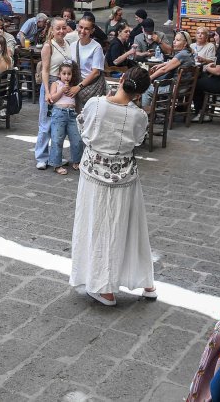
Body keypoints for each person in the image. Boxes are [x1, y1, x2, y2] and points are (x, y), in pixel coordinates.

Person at [69, 67, 157, 306]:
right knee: (130, 227)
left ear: (121, 80)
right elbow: (138, 140)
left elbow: (83, 129)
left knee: (96, 226)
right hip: (125, 175)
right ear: (139, 94)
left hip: (94, 174)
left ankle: (103, 287)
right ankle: (146, 282)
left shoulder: (96, 104)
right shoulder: (139, 115)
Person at [35, 17, 75, 170]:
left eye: (64, 28)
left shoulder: (67, 44)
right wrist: (46, 91)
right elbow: (45, 70)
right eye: (58, 28)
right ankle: (41, 156)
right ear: (52, 29)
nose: (61, 31)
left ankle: (55, 155)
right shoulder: (48, 46)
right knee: (45, 122)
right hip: (51, 83)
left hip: (63, 84)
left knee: (58, 123)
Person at [46, 61, 83, 175]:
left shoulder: (73, 86)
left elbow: (76, 101)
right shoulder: (56, 84)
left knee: (77, 139)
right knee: (57, 139)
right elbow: (52, 99)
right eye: (64, 73)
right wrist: (61, 91)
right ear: (59, 74)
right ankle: (56, 164)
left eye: (69, 74)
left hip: (71, 114)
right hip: (59, 113)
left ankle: (77, 161)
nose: (66, 76)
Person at [71, 16, 107, 110]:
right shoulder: (73, 45)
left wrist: (78, 87)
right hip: (75, 88)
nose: (82, 31)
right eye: (81, 27)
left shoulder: (96, 47)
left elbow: (96, 72)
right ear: (77, 27)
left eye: (86, 29)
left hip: (91, 88)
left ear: (92, 31)